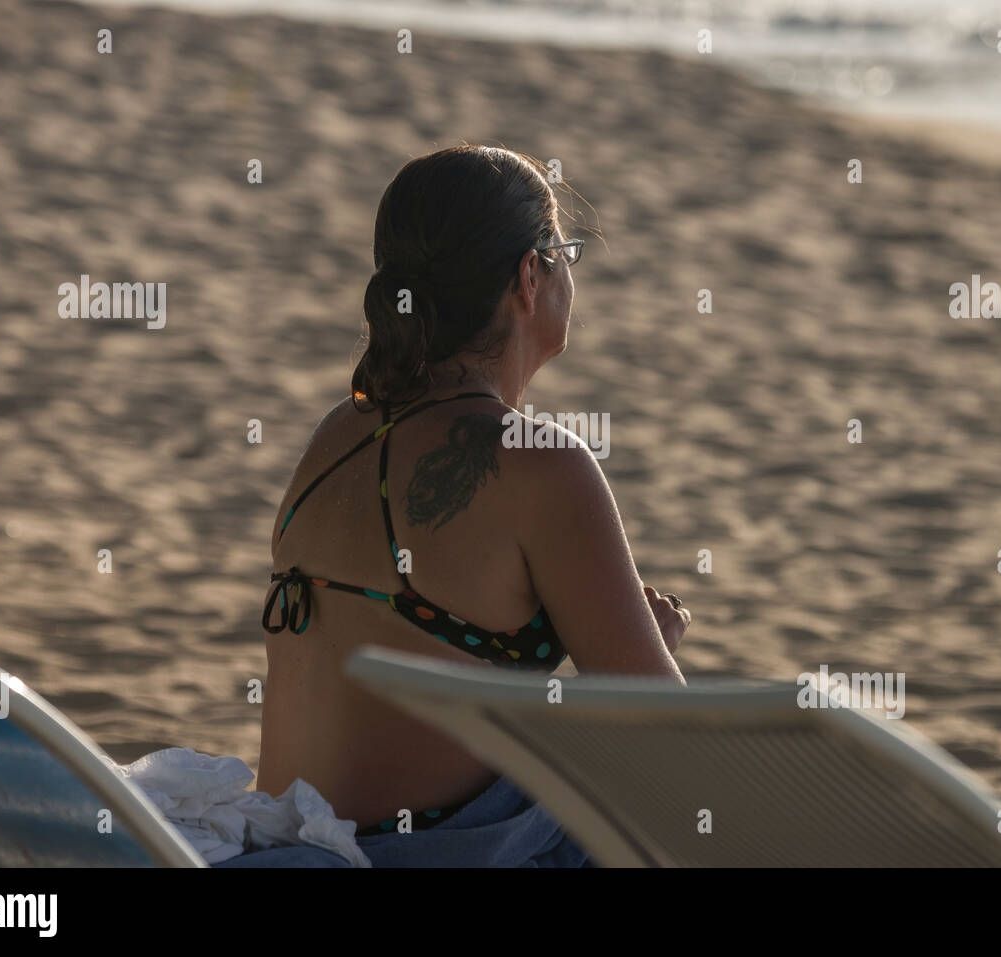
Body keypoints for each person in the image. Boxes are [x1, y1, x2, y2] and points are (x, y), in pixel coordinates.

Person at [235, 145, 689, 867]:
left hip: (291, 846)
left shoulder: (341, 430)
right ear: (527, 277)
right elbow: (669, 740)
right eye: (564, 250)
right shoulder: (541, 463)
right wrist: (653, 649)